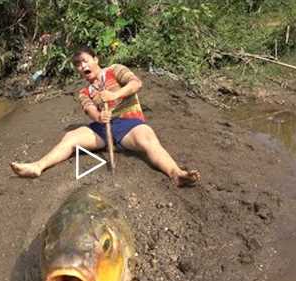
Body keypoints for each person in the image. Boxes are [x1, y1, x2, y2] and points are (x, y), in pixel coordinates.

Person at [11, 47, 200, 187]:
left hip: (130, 125)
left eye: (85, 61)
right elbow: (89, 110)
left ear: (95, 59)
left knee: (147, 136)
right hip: (103, 130)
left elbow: (136, 83)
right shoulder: (84, 91)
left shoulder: (115, 69)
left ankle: (176, 173)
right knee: (70, 137)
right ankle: (38, 166)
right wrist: (100, 116)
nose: (82, 66)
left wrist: (115, 96)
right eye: (78, 64)